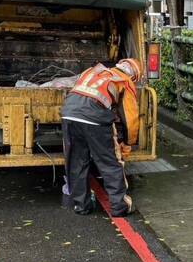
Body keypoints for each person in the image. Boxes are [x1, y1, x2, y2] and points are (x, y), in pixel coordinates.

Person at [61, 58, 142, 216]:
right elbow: (130, 117)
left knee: (76, 162)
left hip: (69, 114)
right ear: (133, 75)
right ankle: (119, 207)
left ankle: (81, 206)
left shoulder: (92, 71)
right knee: (109, 162)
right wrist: (128, 142)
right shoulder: (124, 81)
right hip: (95, 118)